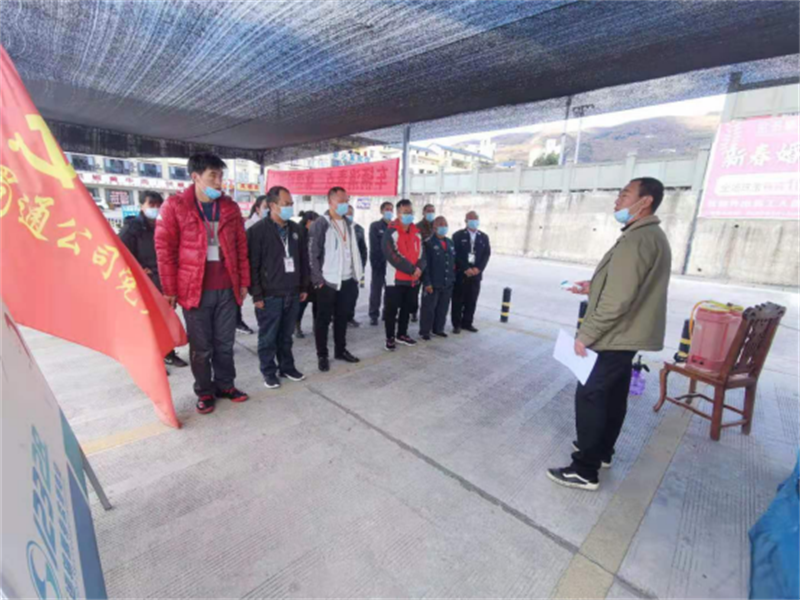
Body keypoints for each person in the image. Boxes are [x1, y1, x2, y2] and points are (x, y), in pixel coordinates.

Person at [547, 178, 672, 492]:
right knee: (613, 396)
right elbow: (626, 285)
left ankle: (584, 469)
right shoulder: (648, 236)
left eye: (624, 195)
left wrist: (586, 334)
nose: (617, 201)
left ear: (645, 201)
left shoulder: (637, 239)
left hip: (616, 334)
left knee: (591, 395)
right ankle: (602, 451)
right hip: (627, 334)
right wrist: (593, 286)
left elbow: (618, 299)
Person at [155, 152, 251, 414]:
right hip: (194, 290)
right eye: (213, 176)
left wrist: (243, 281)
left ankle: (226, 385)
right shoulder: (175, 206)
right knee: (201, 348)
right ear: (195, 177)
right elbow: (164, 251)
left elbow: (241, 247)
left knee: (225, 344)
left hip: (227, 289)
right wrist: (169, 290)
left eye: (221, 176)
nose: (219, 182)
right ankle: (204, 391)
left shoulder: (229, 207)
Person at [247, 186, 309, 389]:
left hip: (293, 291)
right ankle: (269, 372)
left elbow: (303, 260)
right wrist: (256, 294)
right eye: (286, 204)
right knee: (268, 338)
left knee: (286, 336)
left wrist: (303, 286)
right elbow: (252, 265)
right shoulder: (257, 231)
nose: (290, 207)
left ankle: (287, 367)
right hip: (269, 294)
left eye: (291, 204)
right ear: (272, 205)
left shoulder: (297, 230)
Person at [119, 190, 188, 368]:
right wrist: (139, 269)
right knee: (148, 322)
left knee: (165, 318)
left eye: (159, 205)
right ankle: (151, 359)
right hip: (145, 282)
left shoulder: (165, 224)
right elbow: (121, 254)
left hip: (163, 279)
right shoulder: (132, 228)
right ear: (141, 205)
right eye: (151, 205)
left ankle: (168, 353)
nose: (155, 208)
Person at [308, 187, 363, 371]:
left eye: (346, 200)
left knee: (342, 318)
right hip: (328, 282)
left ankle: (340, 350)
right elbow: (312, 254)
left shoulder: (349, 224)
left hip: (347, 280)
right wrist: (318, 280)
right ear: (330, 202)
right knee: (323, 320)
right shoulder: (321, 224)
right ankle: (322, 355)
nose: (344, 204)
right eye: (341, 201)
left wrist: (356, 276)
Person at [382, 198, 426, 351]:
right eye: (405, 212)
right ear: (398, 213)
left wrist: (419, 268)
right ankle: (390, 337)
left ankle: (402, 334)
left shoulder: (416, 232)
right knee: (391, 310)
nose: (408, 214)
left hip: (412, 279)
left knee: (407, 308)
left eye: (410, 212)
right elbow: (392, 255)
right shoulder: (391, 232)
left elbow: (422, 254)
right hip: (395, 279)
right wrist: (411, 269)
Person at [451, 211, 491, 334]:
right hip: (461, 273)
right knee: (458, 300)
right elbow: (455, 254)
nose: (473, 221)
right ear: (466, 221)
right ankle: (456, 324)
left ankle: (467, 323)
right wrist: (465, 268)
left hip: (476, 274)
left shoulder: (483, 237)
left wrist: (478, 268)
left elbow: (486, 254)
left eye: (475, 219)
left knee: (472, 300)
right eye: (471, 219)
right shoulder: (457, 236)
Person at [419, 216, 455, 341]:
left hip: (447, 282)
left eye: (445, 224)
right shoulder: (428, 243)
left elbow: (452, 263)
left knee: (442, 308)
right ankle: (425, 331)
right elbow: (425, 265)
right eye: (440, 224)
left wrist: (452, 279)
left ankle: (438, 329)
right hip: (433, 282)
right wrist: (427, 282)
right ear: (434, 227)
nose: (443, 227)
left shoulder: (450, 242)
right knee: (428, 308)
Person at [368, 201, 394, 326]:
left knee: (390, 291)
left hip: (392, 265)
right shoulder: (375, 226)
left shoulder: (395, 226)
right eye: (387, 209)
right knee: (376, 290)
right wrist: (377, 262)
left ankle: (387, 314)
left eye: (391, 209)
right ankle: (374, 315)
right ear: (382, 211)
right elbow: (374, 246)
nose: (389, 211)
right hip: (379, 263)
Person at [411, 203, 436, 322]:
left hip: (432, 263)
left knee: (428, 290)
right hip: (419, 262)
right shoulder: (417, 227)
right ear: (423, 212)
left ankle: (426, 313)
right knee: (415, 290)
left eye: (432, 211)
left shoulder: (437, 225)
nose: (431, 213)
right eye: (428, 211)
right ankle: (413, 312)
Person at [295, 210, 319, 338]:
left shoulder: (315, 234)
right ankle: (296, 325)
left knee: (317, 303)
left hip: (315, 274)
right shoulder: (298, 234)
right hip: (303, 275)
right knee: (302, 303)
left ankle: (317, 326)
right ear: (309, 222)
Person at [345, 204, 368, 328]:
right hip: (340, 269)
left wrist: (361, 266)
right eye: (347, 213)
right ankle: (337, 317)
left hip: (354, 269)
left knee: (353, 294)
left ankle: (350, 317)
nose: (349, 216)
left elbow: (363, 249)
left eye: (351, 213)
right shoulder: (334, 228)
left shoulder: (359, 229)